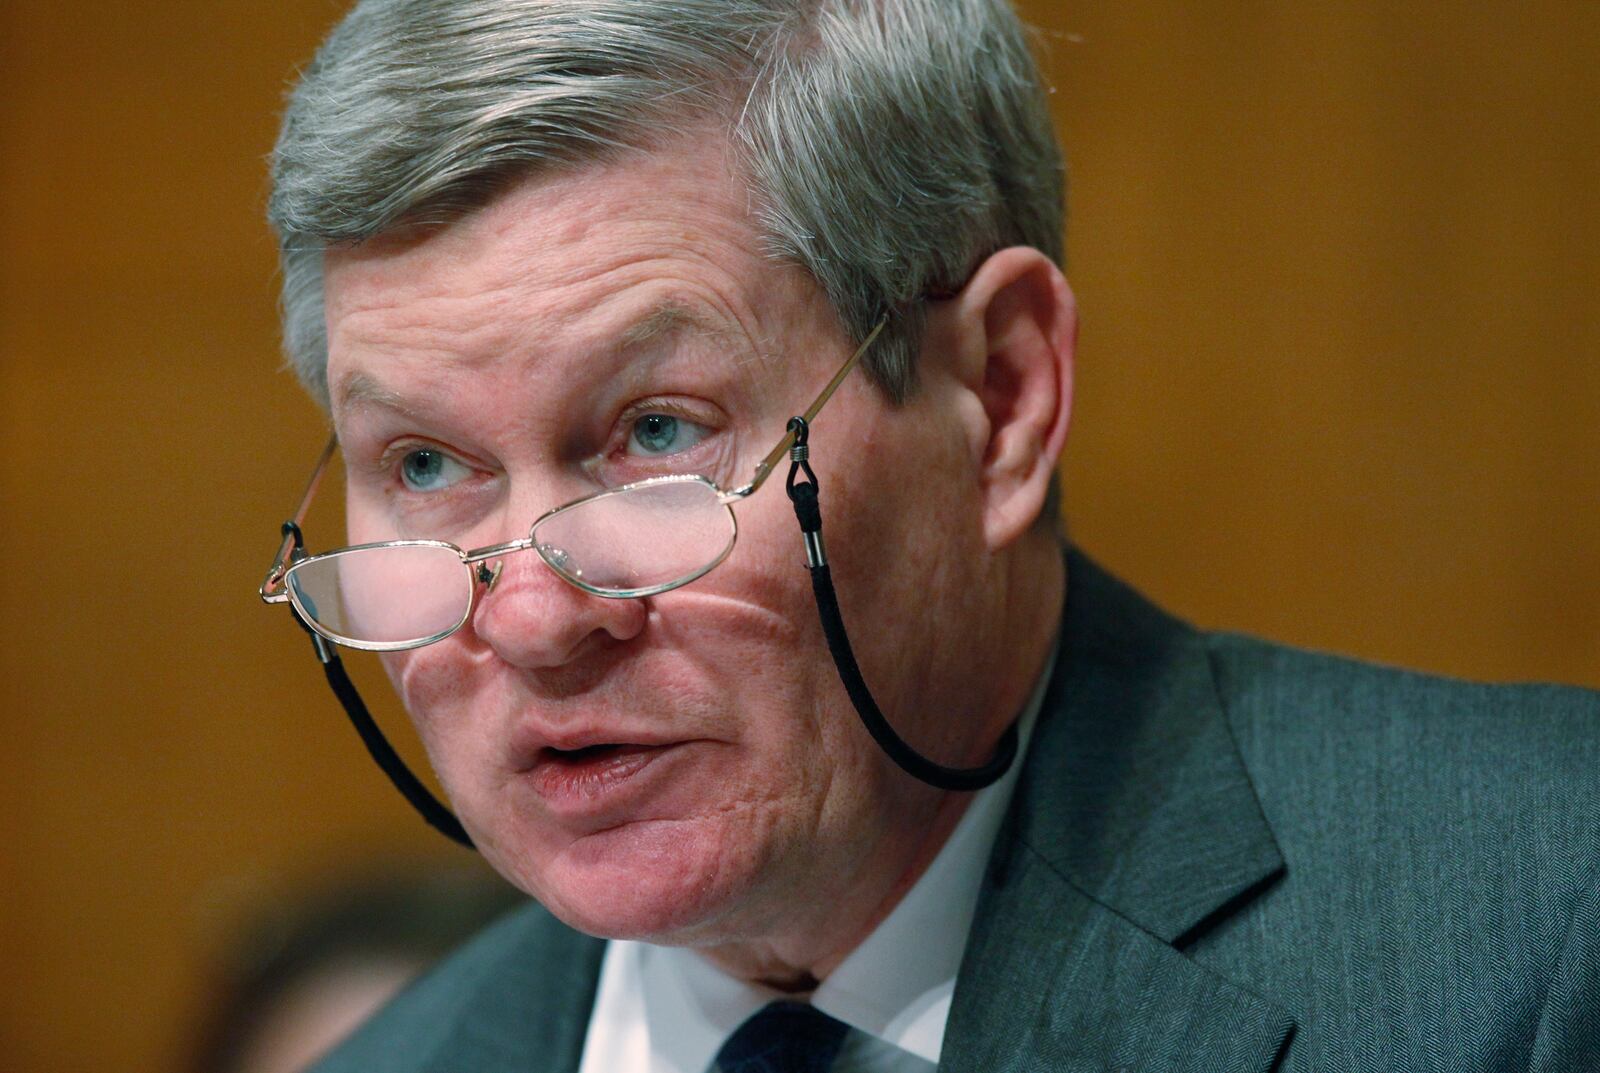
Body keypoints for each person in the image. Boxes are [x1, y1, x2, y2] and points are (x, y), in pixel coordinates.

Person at [256, 1, 1600, 1069]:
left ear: (1002, 397)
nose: (538, 620)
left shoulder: (1539, 919)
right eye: (426, 463)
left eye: (658, 432)